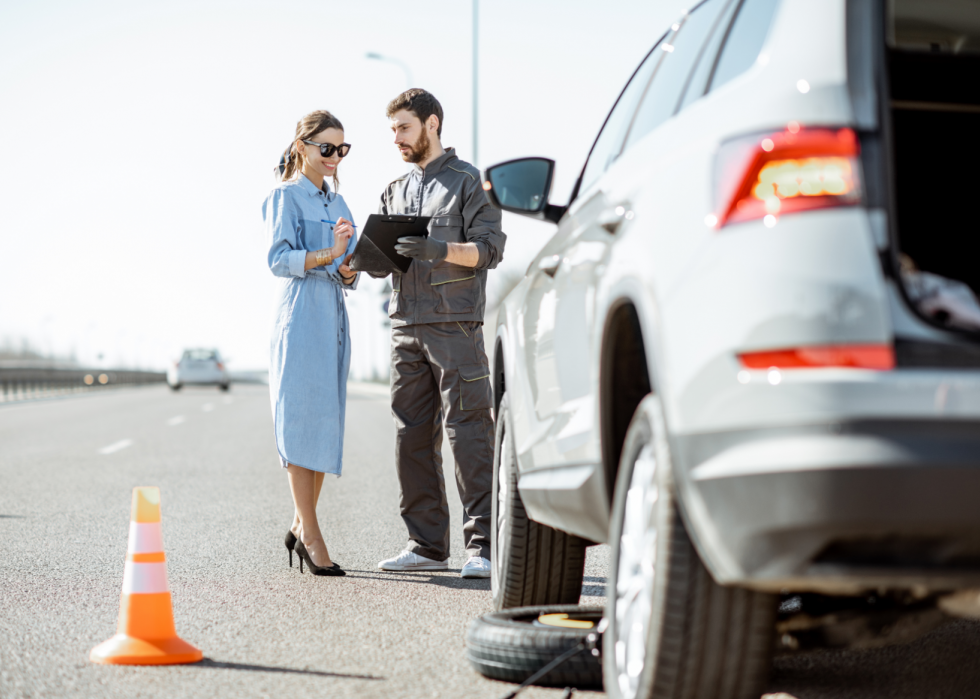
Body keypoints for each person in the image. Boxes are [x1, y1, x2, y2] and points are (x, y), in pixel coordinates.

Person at [374, 89, 506, 579]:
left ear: (432, 124)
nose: (397, 139)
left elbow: (490, 250)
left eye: (404, 128)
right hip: (405, 325)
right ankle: (427, 546)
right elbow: (386, 257)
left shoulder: (470, 182)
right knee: (411, 437)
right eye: (392, 131)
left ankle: (487, 546)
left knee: (469, 432)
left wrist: (440, 249)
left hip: (455, 326)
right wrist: (371, 259)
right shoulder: (394, 189)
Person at [263, 110, 358, 577]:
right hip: (301, 314)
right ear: (303, 147)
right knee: (301, 420)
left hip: (334, 314)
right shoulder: (285, 196)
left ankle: (300, 524)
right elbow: (279, 259)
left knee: (323, 423)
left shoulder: (339, 204)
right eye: (326, 148)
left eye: (342, 149)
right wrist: (330, 255)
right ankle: (313, 534)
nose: (334, 158)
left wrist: (348, 268)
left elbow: (350, 266)